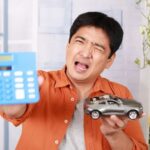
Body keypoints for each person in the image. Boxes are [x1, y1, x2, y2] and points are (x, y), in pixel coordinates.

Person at [0, 12, 148, 150]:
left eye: (98, 48)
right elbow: (14, 112)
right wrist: (13, 105)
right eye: (80, 41)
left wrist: (114, 135)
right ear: (68, 45)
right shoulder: (39, 81)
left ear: (110, 60)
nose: (85, 53)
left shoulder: (120, 93)